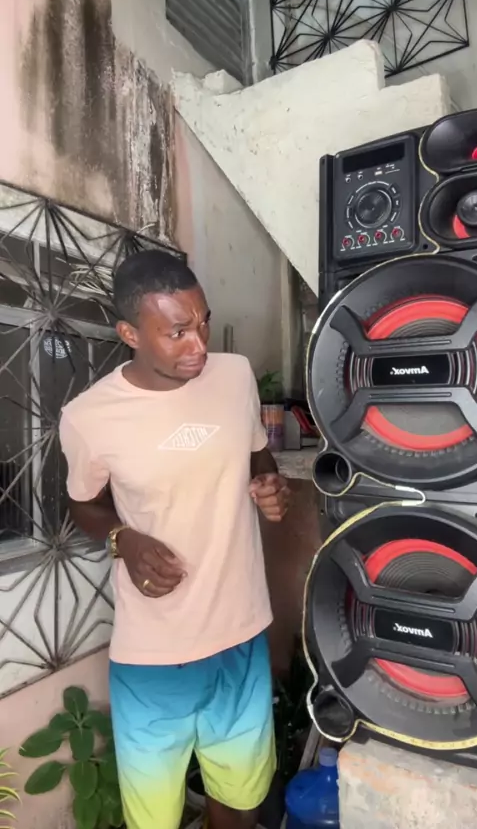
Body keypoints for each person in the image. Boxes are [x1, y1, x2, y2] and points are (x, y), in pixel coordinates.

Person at [59, 249, 290, 829]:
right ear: (130, 334)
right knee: (155, 818)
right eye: (178, 332)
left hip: (240, 632)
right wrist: (123, 539)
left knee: (241, 804)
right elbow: (83, 504)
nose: (199, 345)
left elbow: (255, 453)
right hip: (154, 656)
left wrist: (269, 484)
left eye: (204, 322)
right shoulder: (89, 417)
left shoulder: (235, 376)